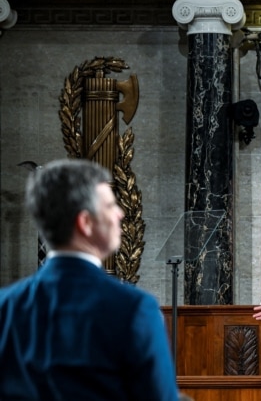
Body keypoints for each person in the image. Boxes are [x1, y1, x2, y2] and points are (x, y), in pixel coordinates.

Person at [0, 159, 179, 401]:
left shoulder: (5, 307)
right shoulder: (134, 309)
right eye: (110, 206)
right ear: (85, 223)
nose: (121, 213)